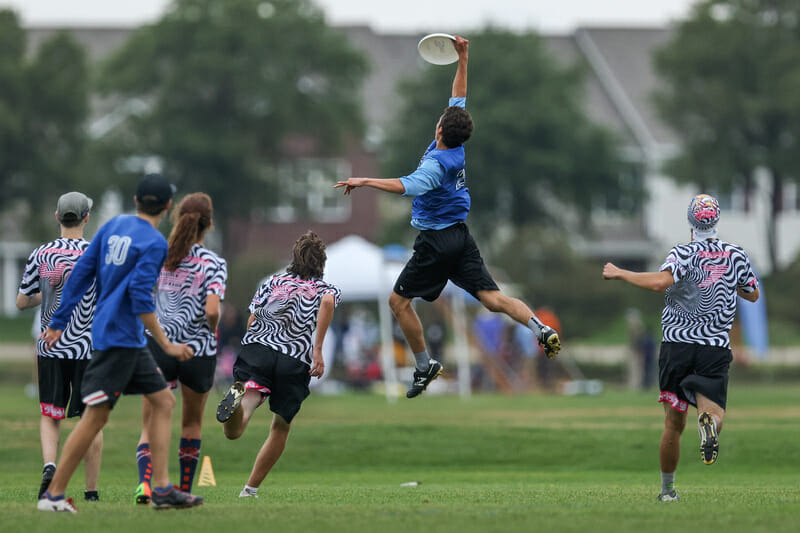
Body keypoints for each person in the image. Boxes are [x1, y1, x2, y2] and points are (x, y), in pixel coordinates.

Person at [334, 35, 561, 398]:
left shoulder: (435, 164)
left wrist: (364, 180)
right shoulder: (457, 143)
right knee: (493, 299)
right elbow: (459, 98)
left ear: (440, 129)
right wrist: (463, 58)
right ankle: (539, 328)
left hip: (436, 242)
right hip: (461, 237)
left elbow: (406, 185)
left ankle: (425, 366)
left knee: (398, 302)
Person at [37, 174, 203, 512]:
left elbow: (82, 273)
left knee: (163, 402)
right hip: (119, 339)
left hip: (121, 338)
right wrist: (168, 345)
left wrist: (57, 322)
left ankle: (160, 488)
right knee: (94, 418)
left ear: (135, 200)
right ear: (168, 206)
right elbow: (142, 299)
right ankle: (53, 495)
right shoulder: (155, 243)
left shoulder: (113, 225)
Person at [602, 194, 759, 502]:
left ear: (690, 222)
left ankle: (667, 491)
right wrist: (724, 283)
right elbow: (752, 295)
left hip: (678, 347)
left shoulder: (683, 253)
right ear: (716, 220)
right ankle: (709, 425)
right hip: (714, 347)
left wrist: (621, 272)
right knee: (714, 413)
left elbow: (661, 282)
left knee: (673, 424)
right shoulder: (736, 254)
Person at [215, 230, 339, 499]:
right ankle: (250, 489)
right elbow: (328, 303)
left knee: (239, 422)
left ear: (294, 258)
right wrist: (317, 350)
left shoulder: (273, 281)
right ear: (322, 263)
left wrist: (253, 343)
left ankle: (236, 405)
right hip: (293, 360)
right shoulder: (325, 289)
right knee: (280, 426)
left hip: (259, 347)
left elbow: (252, 318)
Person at [134, 192, 227, 504]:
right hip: (198, 350)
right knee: (191, 422)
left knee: (151, 421)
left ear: (177, 218)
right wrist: (211, 329)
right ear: (209, 224)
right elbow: (212, 310)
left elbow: (142, 294)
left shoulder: (160, 253)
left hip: (160, 344)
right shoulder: (214, 263)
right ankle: (184, 490)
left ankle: (146, 486)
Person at [17, 192, 103, 502]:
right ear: (86, 218)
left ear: (57, 217)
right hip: (86, 347)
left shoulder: (41, 254)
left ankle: (50, 466)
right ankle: (91, 491)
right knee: (91, 417)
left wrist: (49, 293)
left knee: (50, 414)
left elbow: (22, 301)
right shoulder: (97, 253)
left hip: (49, 347)